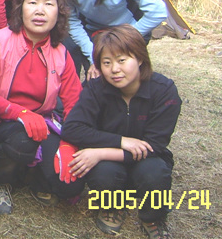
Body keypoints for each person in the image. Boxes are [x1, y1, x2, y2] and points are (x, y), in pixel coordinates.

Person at [60, 25, 182, 238]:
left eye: (122, 60)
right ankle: (112, 207)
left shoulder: (164, 90)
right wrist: (121, 141)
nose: (114, 69)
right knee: (104, 173)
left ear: (140, 58)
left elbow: (155, 146)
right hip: (110, 164)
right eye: (106, 63)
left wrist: (100, 152)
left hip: (147, 158)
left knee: (155, 172)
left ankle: (153, 217)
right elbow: (72, 128)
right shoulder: (95, 88)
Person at [0, 0, 84, 216]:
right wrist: (21, 113)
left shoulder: (61, 52)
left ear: (59, 13)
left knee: (69, 185)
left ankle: (33, 175)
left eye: (48, 4)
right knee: (22, 139)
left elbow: (74, 103)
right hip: (0, 121)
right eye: (33, 2)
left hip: (42, 123)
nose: (40, 10)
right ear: (20, 8)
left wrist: (69, 143)